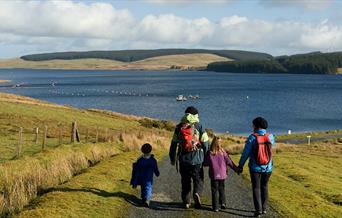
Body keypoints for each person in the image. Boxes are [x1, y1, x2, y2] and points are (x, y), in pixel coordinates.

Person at [169, 106, 209, 209]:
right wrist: (206, 157)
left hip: (183, 159)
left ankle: (186, 201)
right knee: (198, 179)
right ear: (196, 115)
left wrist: (172, 158)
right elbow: (205, 143)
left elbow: (173, 144)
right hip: (197, 160)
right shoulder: (199, 126)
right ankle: (197, 193)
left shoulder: (179, 127)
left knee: (185, 181)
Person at [237, 117, 275, 217]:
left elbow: (245, 153)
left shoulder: (252, 138)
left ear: (257, 126)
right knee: (265, 186)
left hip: (255, 168)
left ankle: (258, 210)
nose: (252, 126)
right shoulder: (270, 136)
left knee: (256, 188)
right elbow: (271, 150)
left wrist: (240, 166)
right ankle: (264, 208)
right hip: (268, 168)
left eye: (253, 125)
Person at [203, 136, 239, 212]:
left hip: (214, 175)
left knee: (214, 190)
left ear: (212, 143)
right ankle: (223, 203)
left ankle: (215, 207)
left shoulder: (210, 153)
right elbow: (229, 162)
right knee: (221, 188)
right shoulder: (223, 152)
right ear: (220, 143)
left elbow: (205, 163)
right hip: (222, 174)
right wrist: (236, 169)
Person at [130, 143, 160, 207]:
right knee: (148, 188)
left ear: (142, 150)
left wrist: (134, 182)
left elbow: (136, 171)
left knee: (143, 187)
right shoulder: (153, 160)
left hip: (141, 177)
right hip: (149, 178)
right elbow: (155, 168)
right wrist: (157, 173)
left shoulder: (140, 160)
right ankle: (147, 199)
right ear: (150, 150)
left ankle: (144, 198)